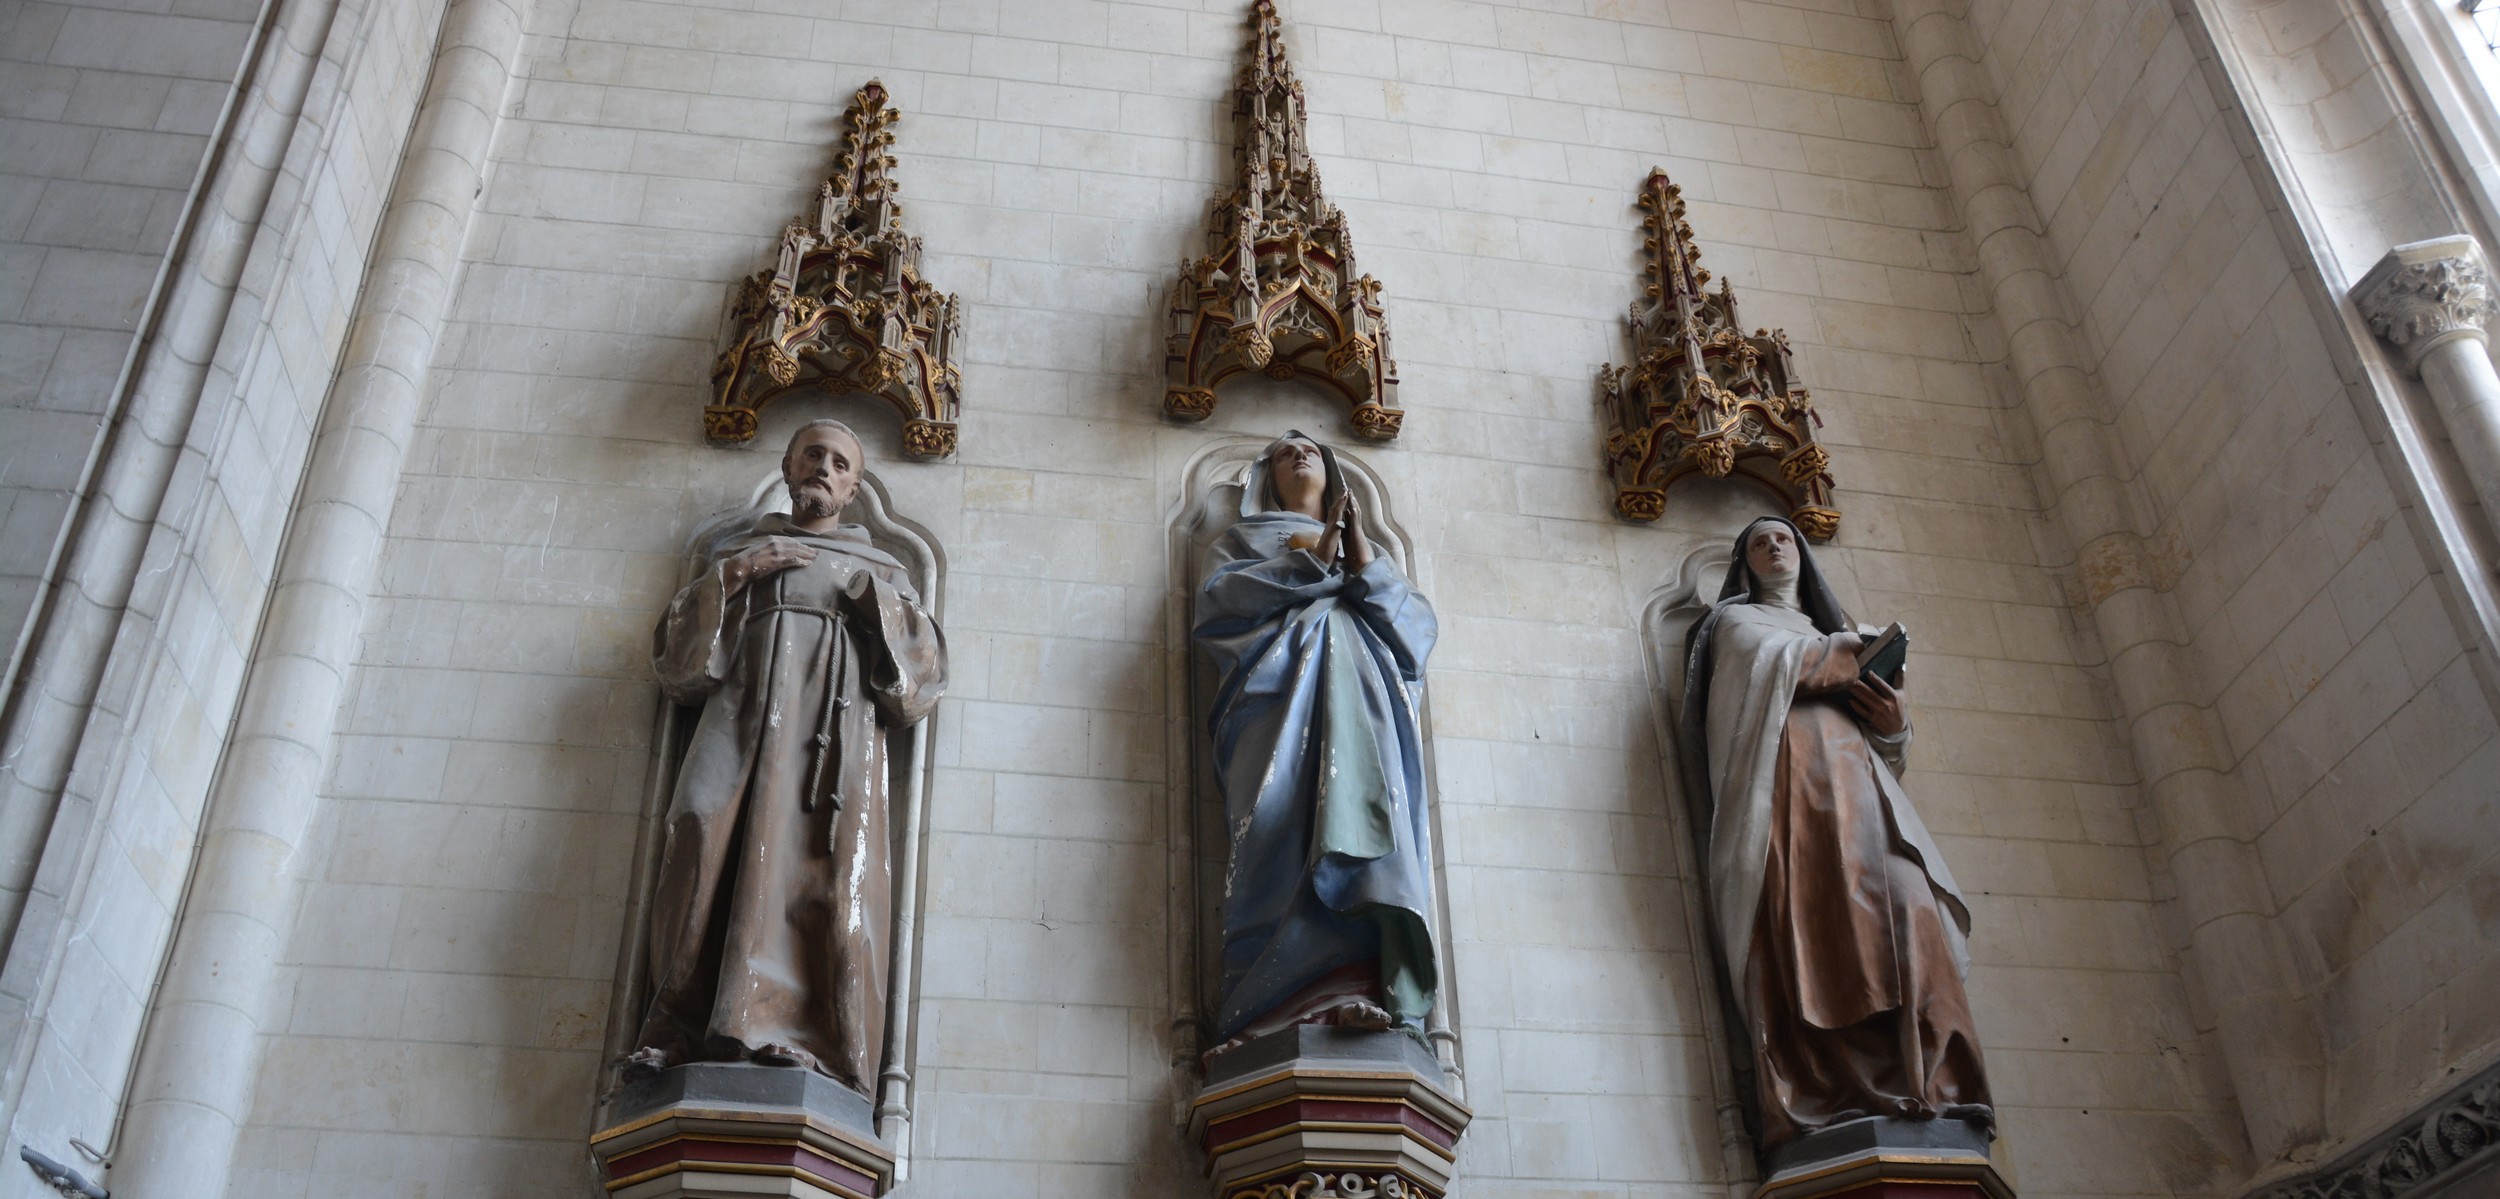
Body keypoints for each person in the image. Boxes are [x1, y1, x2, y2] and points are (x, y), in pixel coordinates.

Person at [627, 419, 947, 1094]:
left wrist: (876, 604)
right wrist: (737, 575)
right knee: (698, 836)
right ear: (788, 463)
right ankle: (675, 1032)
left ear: (854, 486)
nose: (823, 468)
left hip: (828, 755)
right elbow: (680, 663)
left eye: (838, 462)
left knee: (822, 878)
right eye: (813, 455)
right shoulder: (746, 550)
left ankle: (808, 1040)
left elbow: (920, 679)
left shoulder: (881, 568)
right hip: (740, 730)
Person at [1680, 516, 1991, 1148]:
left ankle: (1941, 1087)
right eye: (1760, 542)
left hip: (1866, 800)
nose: (1774, 546)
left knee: (1911, 910)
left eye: (1785, 538)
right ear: (1744, 563)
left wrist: (1896, 719)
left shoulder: (1828, 635)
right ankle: (1830, 1090)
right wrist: (1861, 651)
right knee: (1817, 931)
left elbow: (1888, 749)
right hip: (1796, 799)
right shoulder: (1736, 625)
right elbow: (1792, 666)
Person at [1194, 432, 1440, 1050]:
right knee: (1279, 833)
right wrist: (1311, 558)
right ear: (1265, 478)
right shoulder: (1240, 543)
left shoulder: (1368, 557)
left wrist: (1357, 556)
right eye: (1283, 452)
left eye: (1308, 450)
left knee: (1362, 836)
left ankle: (1356, 989)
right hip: (1274, 710)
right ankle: (1261, 1013)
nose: (1298, 455)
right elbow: (1220, 606)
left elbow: (1414, 635)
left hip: (1360, 712)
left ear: (1333, 476)